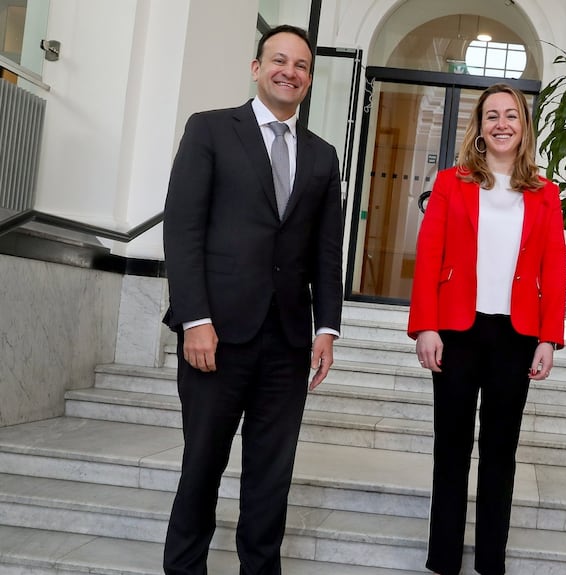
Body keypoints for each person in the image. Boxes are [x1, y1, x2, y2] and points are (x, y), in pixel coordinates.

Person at [161, 24, 343, 575]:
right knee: (202, 466)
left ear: (310, 79)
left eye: (302, 66)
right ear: (256, 67)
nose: (290, 71)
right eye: (279, 60)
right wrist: (195, 318)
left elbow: (327, 251)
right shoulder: (211, 130)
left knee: (271, 474)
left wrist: (326, 329)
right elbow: (183, 230)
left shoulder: (322, 155)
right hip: (216, 336)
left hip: (287, 342)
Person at [407, 83, 566, 575]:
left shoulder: (545, 192)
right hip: (456, 330)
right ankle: (444, 559)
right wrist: (425, 327)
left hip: (515, 336)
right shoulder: (453, 183)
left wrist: (548, 337)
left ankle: (491, 560)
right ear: (479, 126)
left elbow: (554, 268)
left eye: (511, 116)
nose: (501, 124)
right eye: (492, 115)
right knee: (450, 446)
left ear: (524, 127)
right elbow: (429, 254)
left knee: (501, 450)